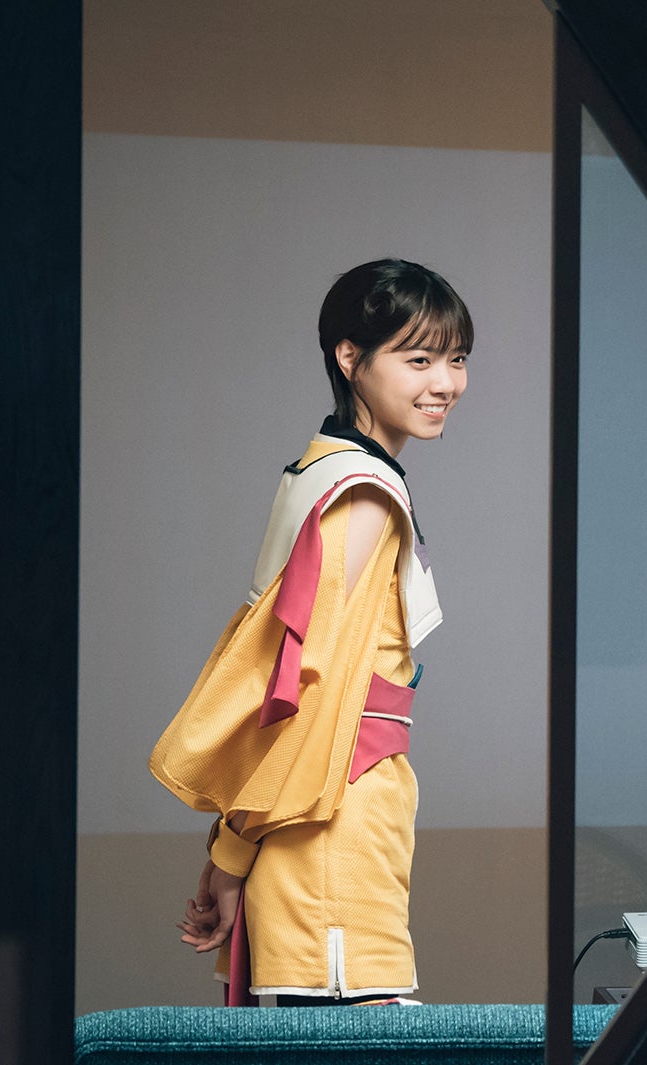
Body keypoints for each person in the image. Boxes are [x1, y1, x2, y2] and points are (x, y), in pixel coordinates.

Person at [149, 259, 471, 1005]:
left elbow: (280, 680)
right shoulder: (362, 495)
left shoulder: (319, 470)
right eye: (418, 359)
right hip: (330, 826)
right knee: (356, 1042)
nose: (445, 382)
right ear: (350, 357)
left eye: (457, 359)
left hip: (311, 817)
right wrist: (232, 853)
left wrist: (232, 845)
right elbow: (308, 693)